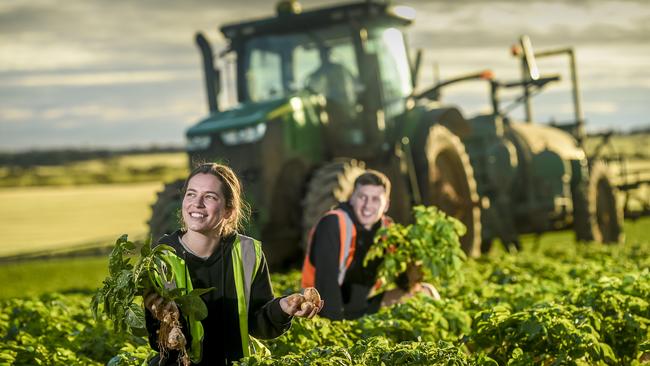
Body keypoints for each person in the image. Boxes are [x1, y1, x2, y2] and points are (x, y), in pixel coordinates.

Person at [144, 163, 323, 365]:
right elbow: (156, 335)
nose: (197, 203)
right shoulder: (162, 256)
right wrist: (164, 325)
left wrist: (282, 308)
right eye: (191, 194)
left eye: (210, 197)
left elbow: (257, 322)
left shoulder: (248, 252)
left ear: (229, 210)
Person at [301, 170, 439, 321]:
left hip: (362, 307)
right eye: (362, 197)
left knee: (425, 292)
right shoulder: (333, 224)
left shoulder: (388, 231)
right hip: (320, 310)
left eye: (375, 199)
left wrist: (415, 266)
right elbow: (326, 284)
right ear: (352, 198)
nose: (368, 206)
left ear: (386, 205)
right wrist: (338, 330)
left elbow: (405, 280)